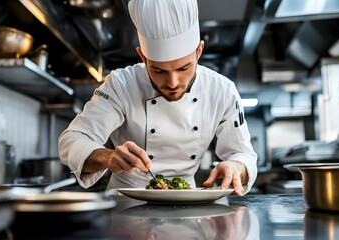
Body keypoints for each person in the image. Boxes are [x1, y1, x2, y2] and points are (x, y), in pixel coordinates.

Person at [58, 0, 257, 196]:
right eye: (159, 70)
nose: (172, 82)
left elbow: (243, 154)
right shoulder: (121, 84)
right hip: (126, 204)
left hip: (187, 200)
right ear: (142, 57)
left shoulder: (221, 90)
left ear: (199, 51)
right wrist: (107, 157)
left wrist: (235, 166)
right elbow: (72, 140)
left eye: (183, 68)